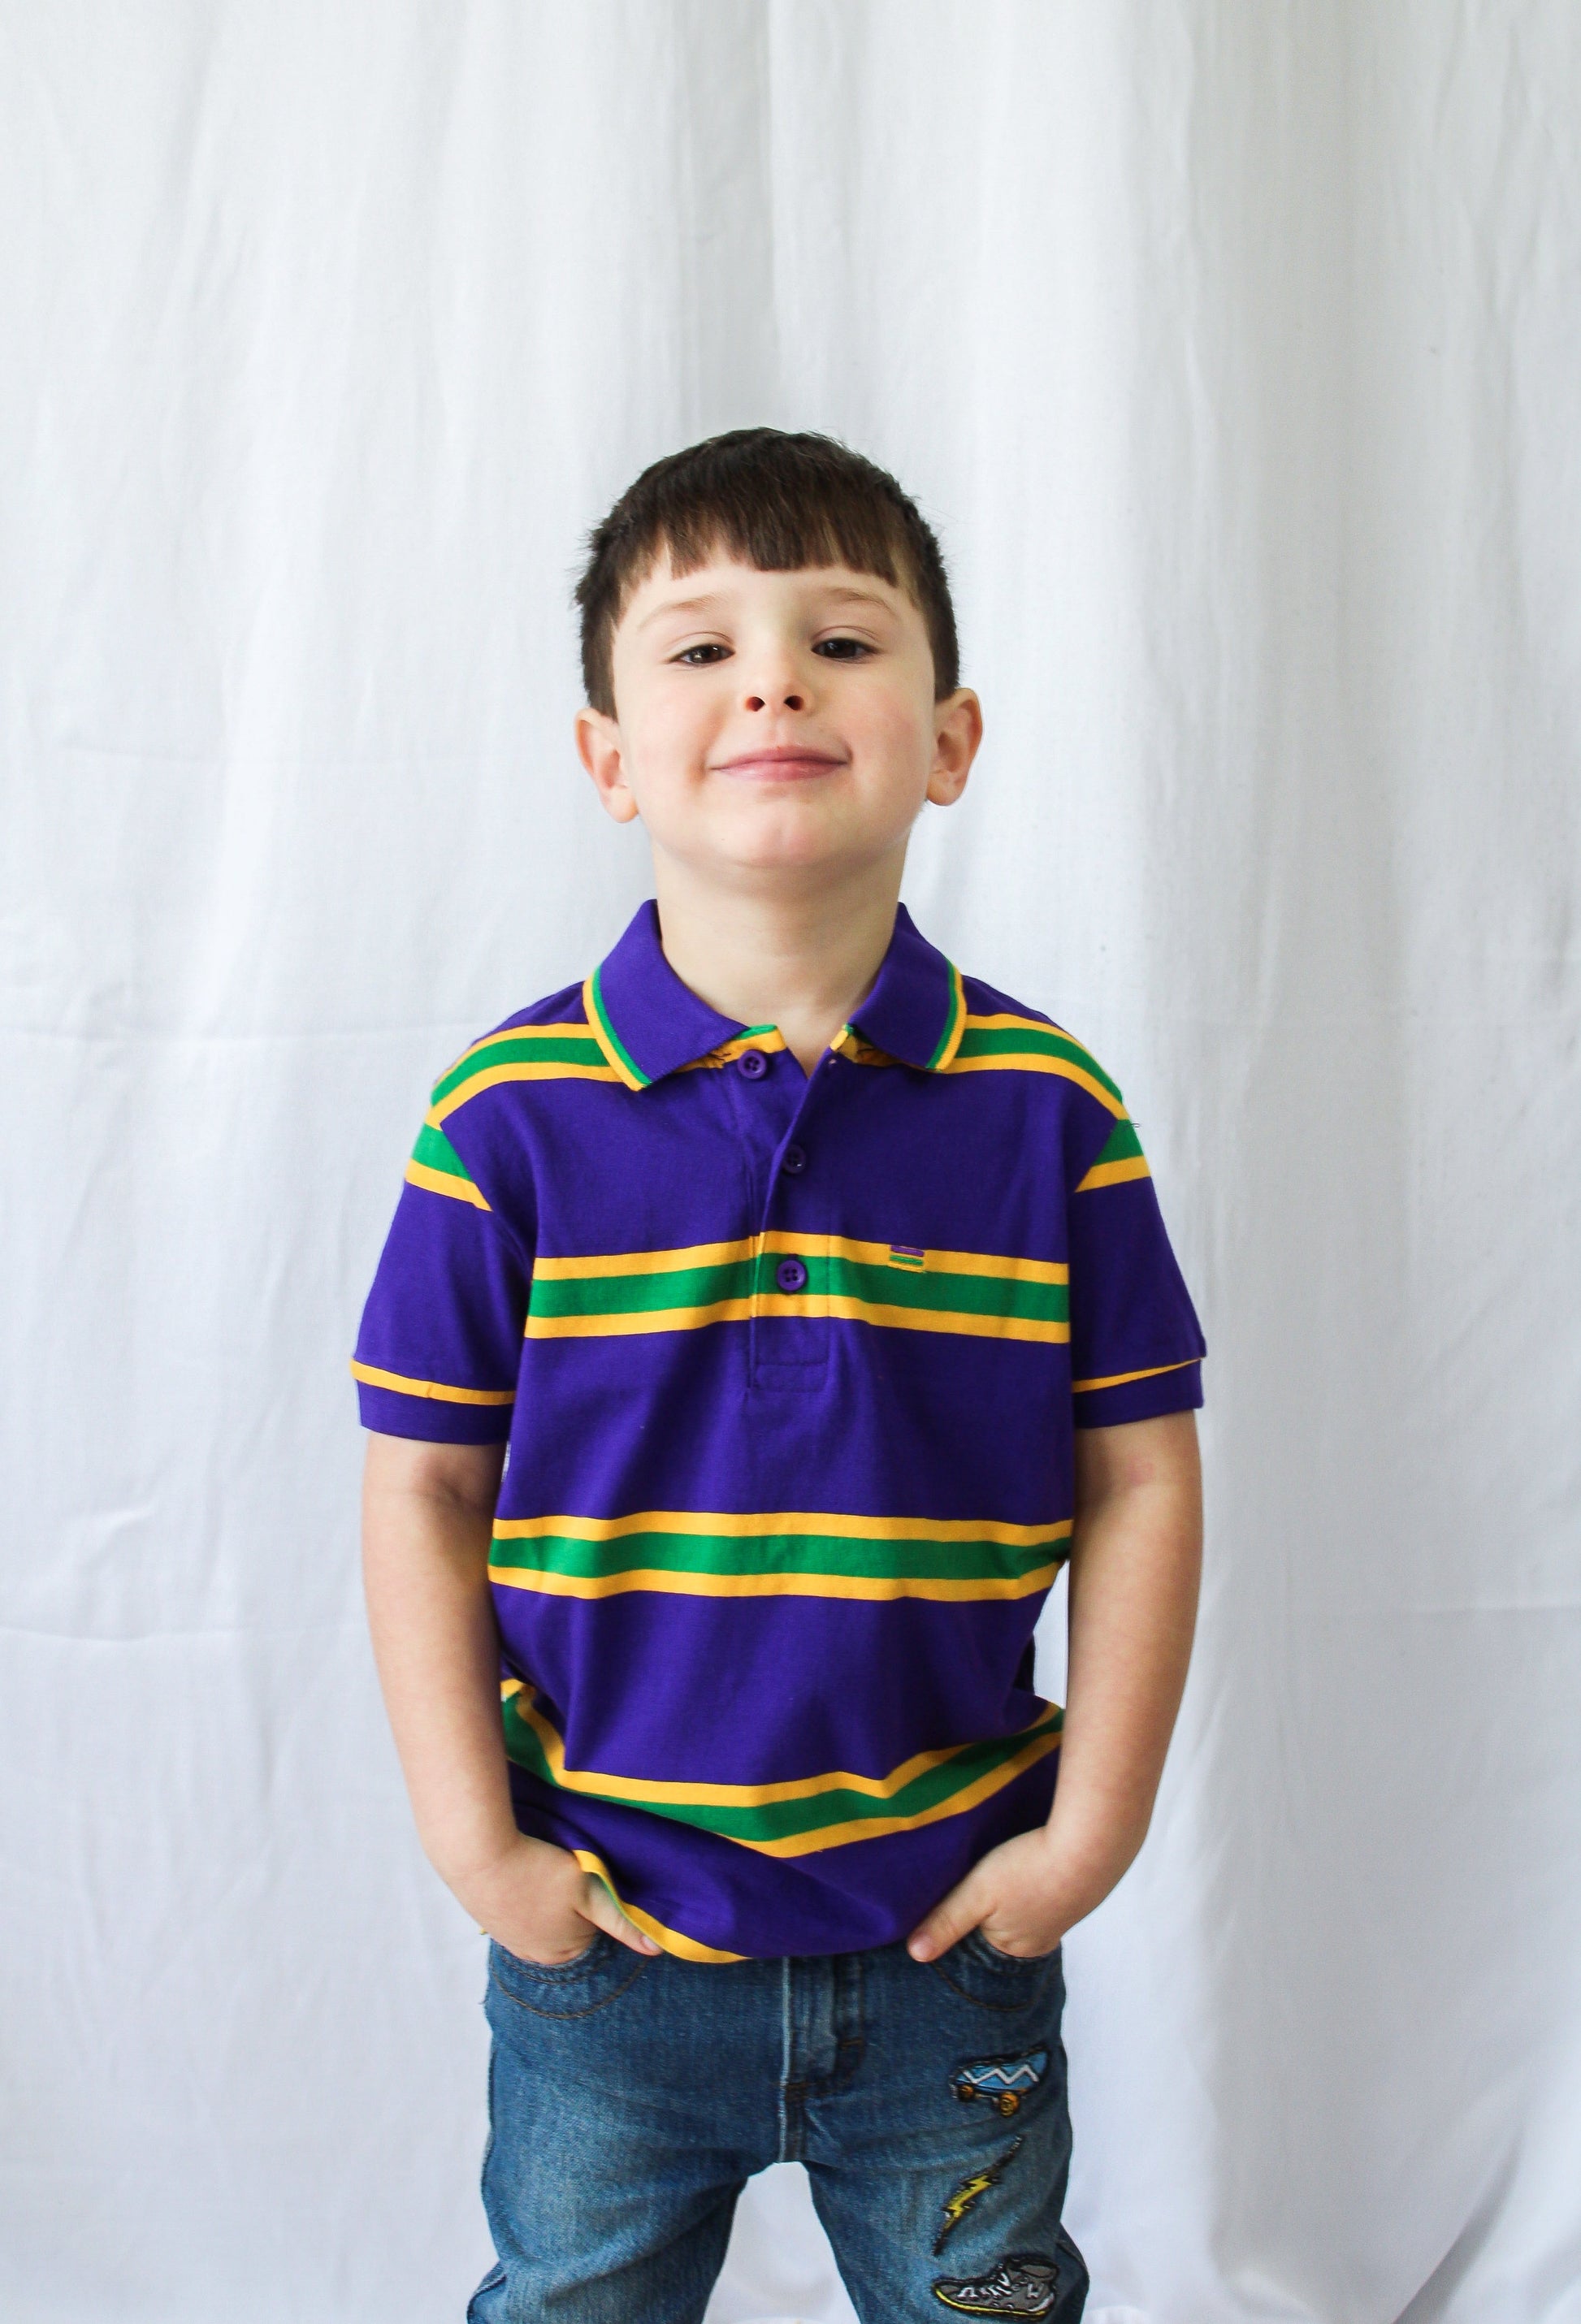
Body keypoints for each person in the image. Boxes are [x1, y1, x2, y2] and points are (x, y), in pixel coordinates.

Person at [353, 428, 1205, 2323]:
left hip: (951, 1938)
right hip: (608, 1939)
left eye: (839, 638)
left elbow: (1142, 1469)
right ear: (607, 759)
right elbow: (422, 1484)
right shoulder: (507, 1121)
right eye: (701, 647)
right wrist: (480, 1850)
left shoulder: (1047, 1112)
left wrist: (1088, 1838)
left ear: (949, 738)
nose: (773, 683)